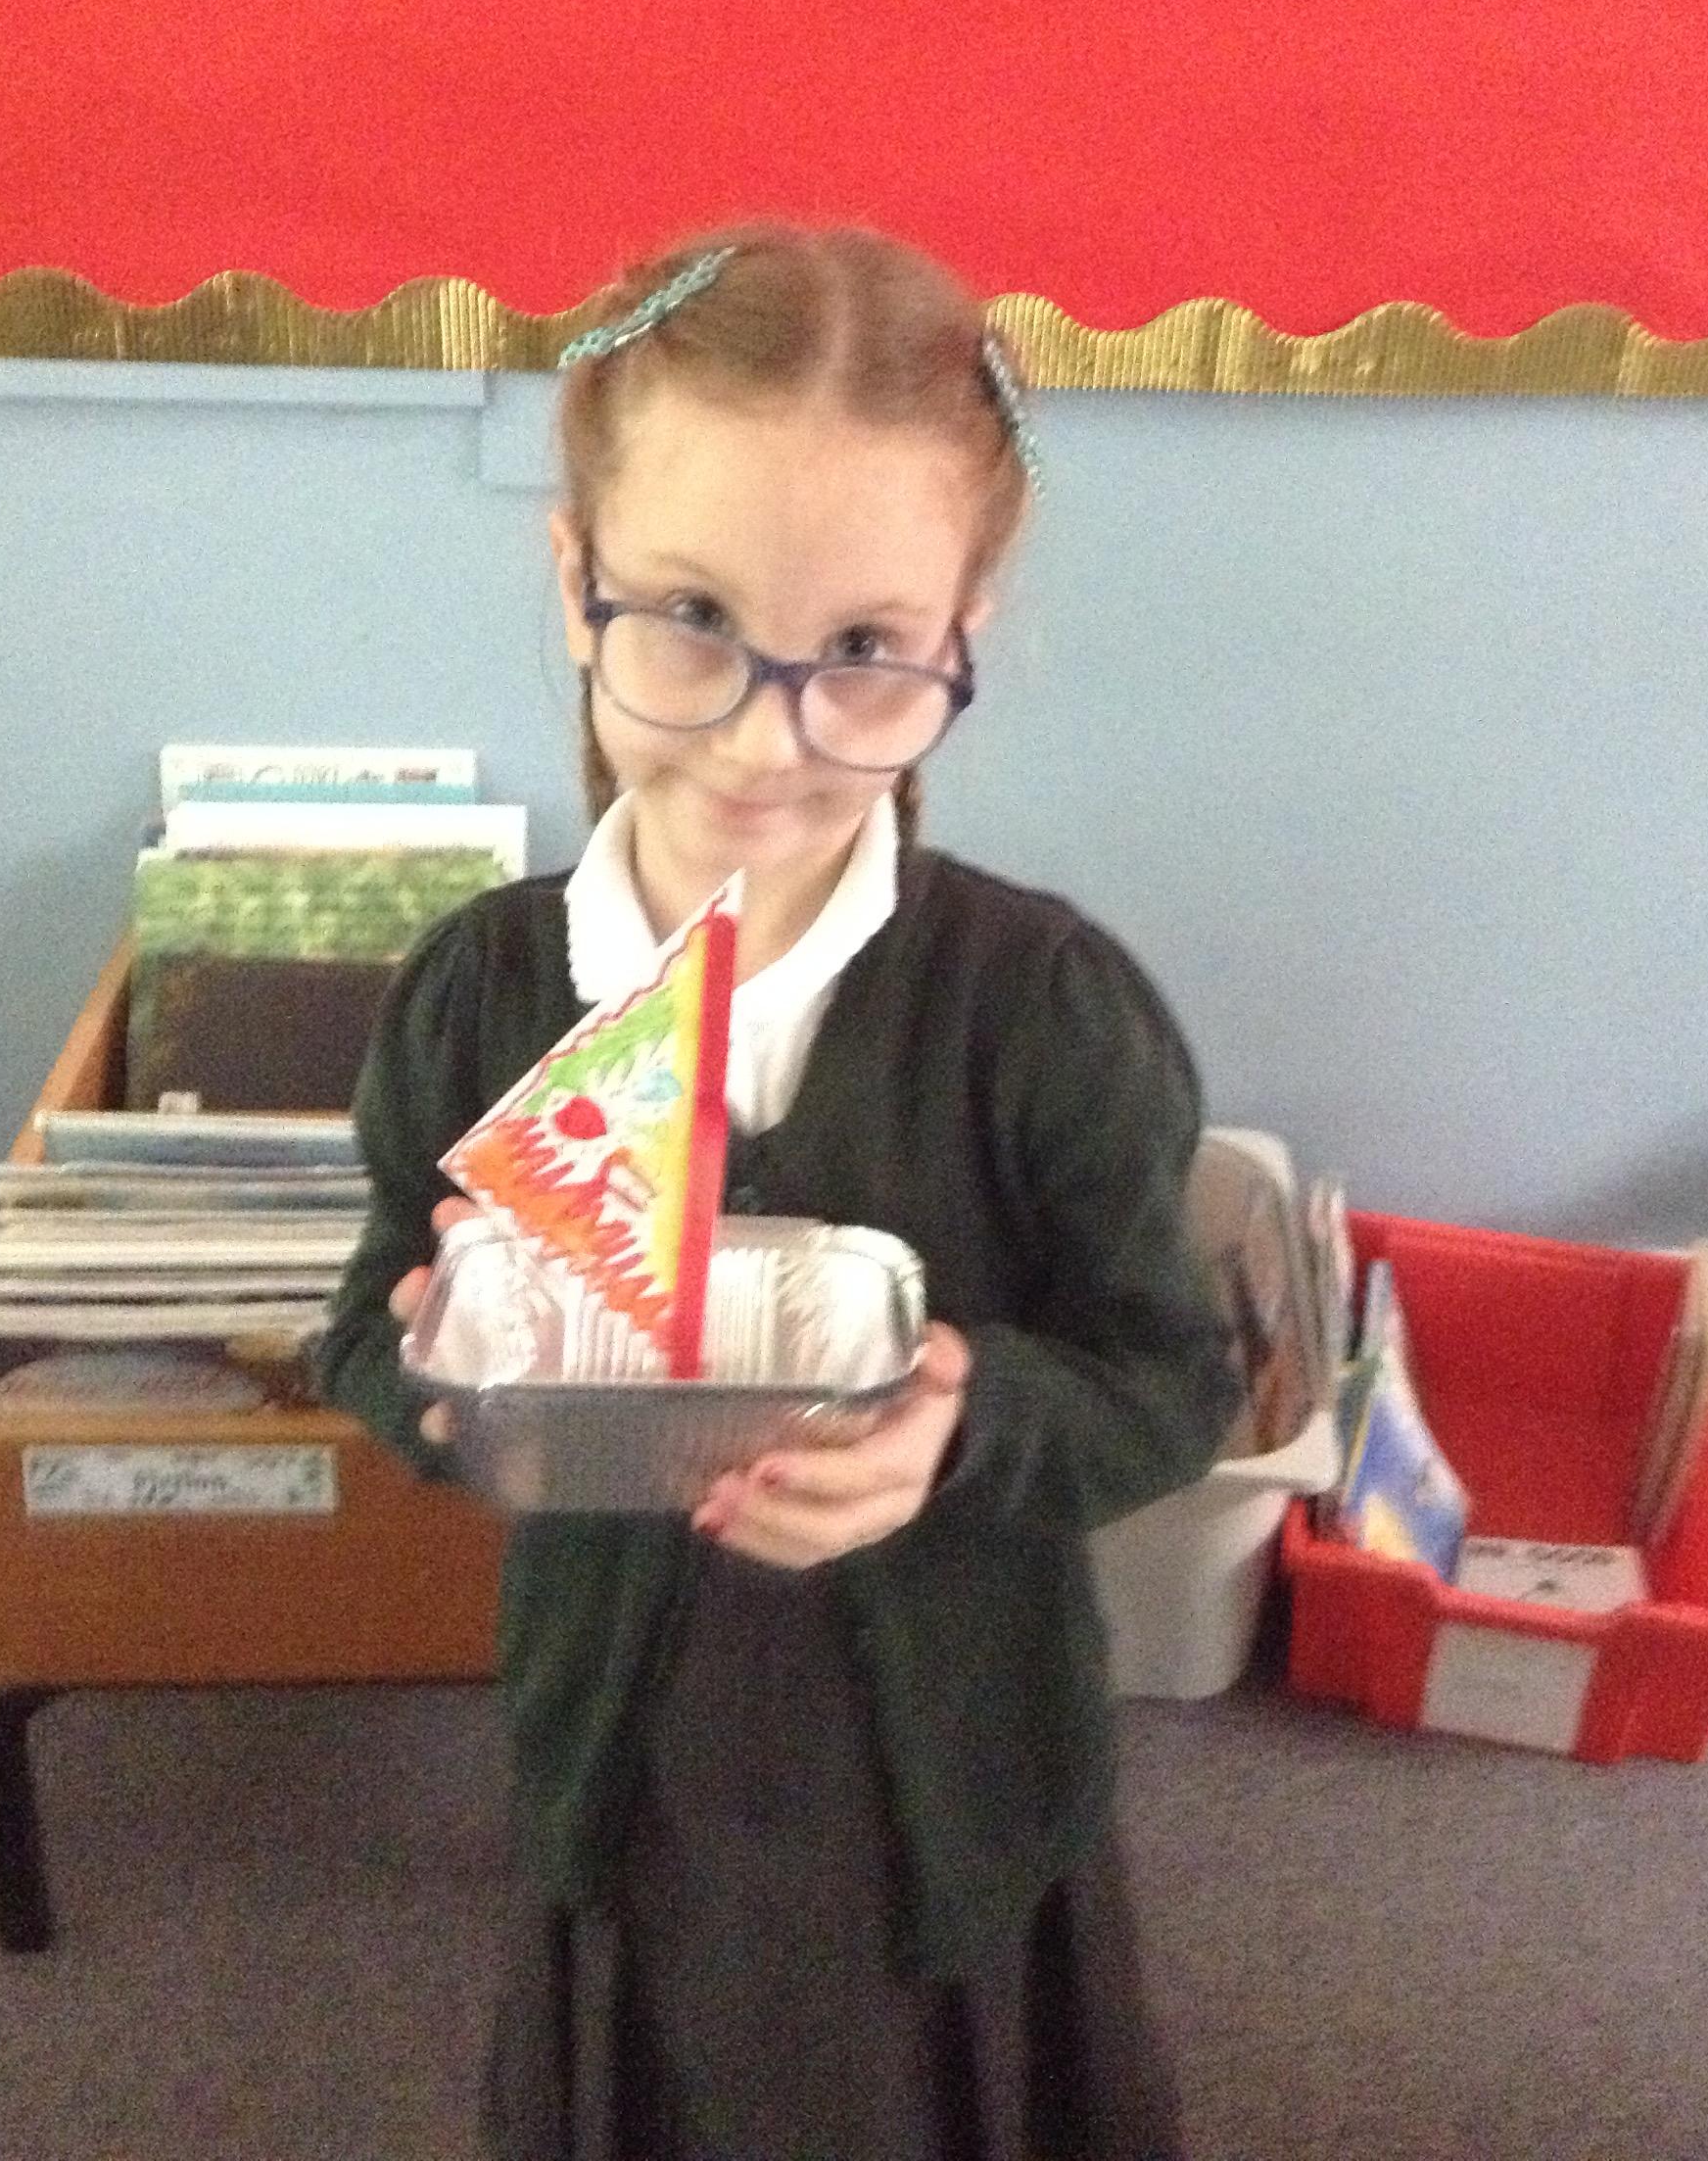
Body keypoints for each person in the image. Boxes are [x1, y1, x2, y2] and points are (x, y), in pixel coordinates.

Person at [317, 221, 1242, 2161]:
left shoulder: (1042, 1010)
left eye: (864, 655)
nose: (765, 737)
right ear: (573, 579)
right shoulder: (478, 994)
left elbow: (1170, 1384)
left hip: (945, 1763)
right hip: (626, 1757)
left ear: (960, 632)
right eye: (688, 616)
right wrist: (437, 1386)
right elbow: (367, 1320)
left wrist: (963, 1425)